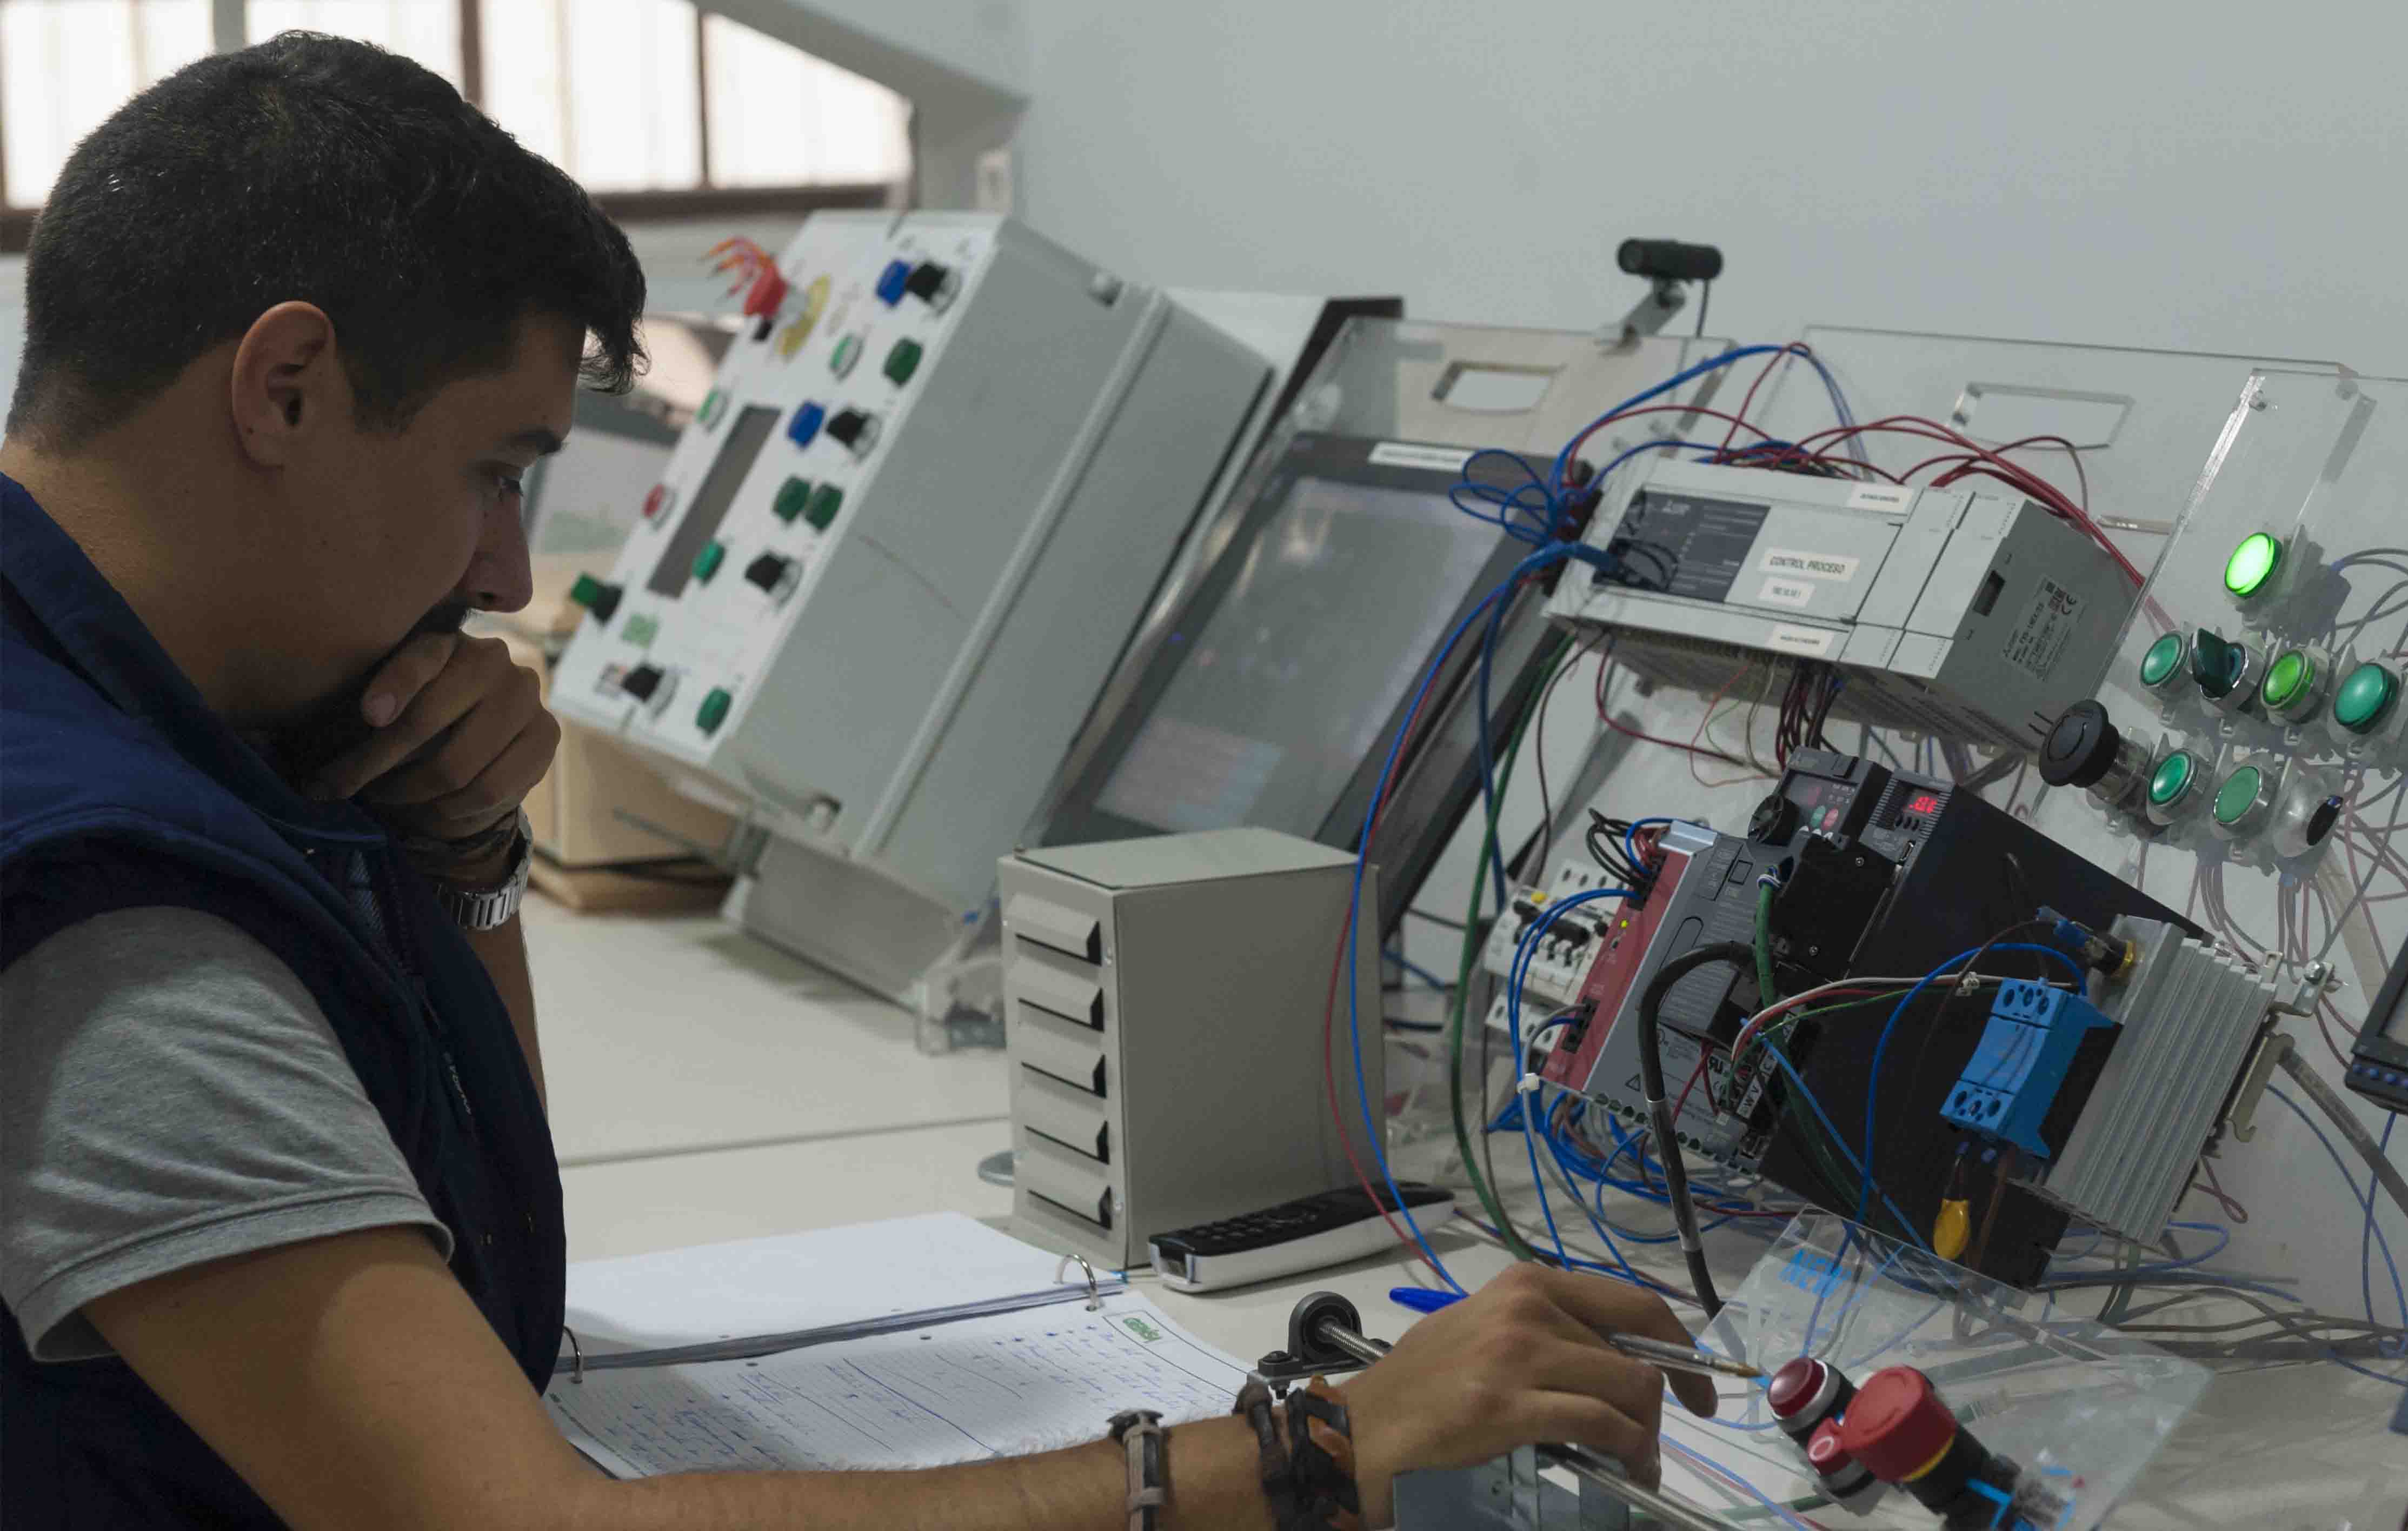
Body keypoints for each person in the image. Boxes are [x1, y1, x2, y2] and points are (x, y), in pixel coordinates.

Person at [0, 31, 1714, 1531]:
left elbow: (494, 1254)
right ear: (286, 389)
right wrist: (1305, 1453)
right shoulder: (105, 913)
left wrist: (462, 855)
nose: (508, 578)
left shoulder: (161, 714)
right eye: (495, 472)